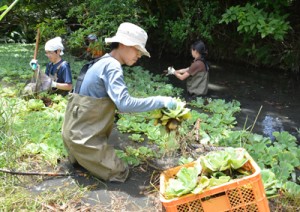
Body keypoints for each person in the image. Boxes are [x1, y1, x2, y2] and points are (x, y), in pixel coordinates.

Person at [62, 22, 177, 183]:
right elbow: (124, 104)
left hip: (70, 135)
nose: (139, 55)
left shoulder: (101, 60)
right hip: (83, 140)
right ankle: (89, 158)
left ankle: (83, 160)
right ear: (123, 44)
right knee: (121, 172)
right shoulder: (113, 66)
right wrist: (160, 101)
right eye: (137, 50)